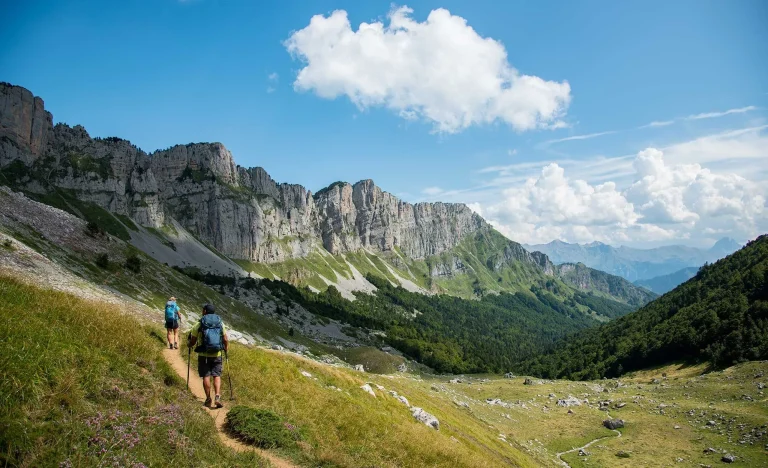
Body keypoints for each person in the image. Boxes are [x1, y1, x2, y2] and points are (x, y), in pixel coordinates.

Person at [188, 303, 229, 409]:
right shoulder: (220, 323)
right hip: (217, 354)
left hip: (204, 354)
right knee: (216, 375)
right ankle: (217, 396)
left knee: (206, 376)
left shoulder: (200, 323)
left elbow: (193, 339)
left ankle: (208, 399)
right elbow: (225, 338)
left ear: (205, 311)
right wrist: (226, 348)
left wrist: (190, 345)